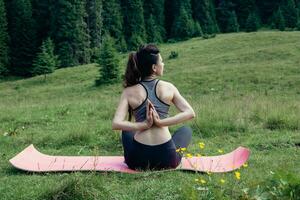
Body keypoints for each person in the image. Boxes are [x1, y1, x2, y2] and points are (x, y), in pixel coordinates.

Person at [112, 44, 195, 171]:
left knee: (127, 130)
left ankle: (133, 154)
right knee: (186, 130)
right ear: (154, 67)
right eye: (161, 61)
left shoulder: (129, 92)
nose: (163, 64)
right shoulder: (169, 87)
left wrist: (142, 125)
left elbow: (116, 124)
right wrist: (161, 123)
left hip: (137, 162)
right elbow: (190, 113)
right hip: (167, 159)